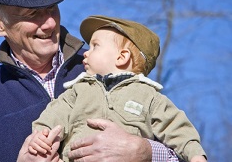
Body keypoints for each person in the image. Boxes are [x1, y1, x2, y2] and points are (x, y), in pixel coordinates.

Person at [0, 0, 180, 161]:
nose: (50, 23)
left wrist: (145, 152)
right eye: (33, 13)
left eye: (52, 8)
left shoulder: (109, 67)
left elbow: (184, 150)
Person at [29, 15, 207, 162]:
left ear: (122, 57)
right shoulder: (78, 90)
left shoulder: (149, 96)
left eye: (95, 46)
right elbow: (54, 115)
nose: (85, 52)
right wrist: (40, 136)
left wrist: (195, 155)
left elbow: (176, 127)